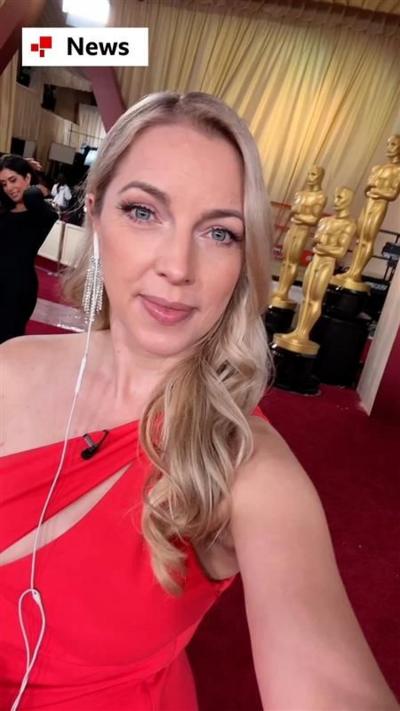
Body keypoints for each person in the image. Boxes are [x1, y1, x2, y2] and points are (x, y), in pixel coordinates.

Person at [0, 93, 397, 711]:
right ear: (97, 212)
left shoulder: (248, 466)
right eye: (143, 212)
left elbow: (328, 678)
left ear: (244, 260)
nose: (177, 266)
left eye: (218, 232)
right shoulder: (10, 366)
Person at [0, 154, 58, 343]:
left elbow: (34, 195)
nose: (9, 188)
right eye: (3, 184)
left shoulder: (42, 214)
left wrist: (35, 178)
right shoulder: (4, 210)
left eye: (13, 180)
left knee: (7, 343)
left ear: (27, 178)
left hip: (17, 289)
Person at [332, 134, 400, 292]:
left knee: (368, 239)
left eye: (393, 145)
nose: (389, 148)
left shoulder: (398, 170)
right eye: (388, 144)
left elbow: (392, 194)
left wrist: (375, 191)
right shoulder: (377, 168)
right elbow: (366, 189)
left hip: (379, 206)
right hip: (368, 205)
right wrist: (375, 190)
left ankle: (357, 272)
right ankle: (351, 270)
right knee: (359, 238)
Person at [270, 165, 327, 310]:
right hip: (293, 228)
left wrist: (299, 215)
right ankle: (280, 288)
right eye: (309, 174)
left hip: (303, 231)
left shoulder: (320, 197)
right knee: (286, 259)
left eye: (313, 174)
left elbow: (313, 219)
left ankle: (284, 290)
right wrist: (300, 215)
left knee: (293, 261)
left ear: (320, 177)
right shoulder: (300, 194)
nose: (310, 177)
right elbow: (291, 214)